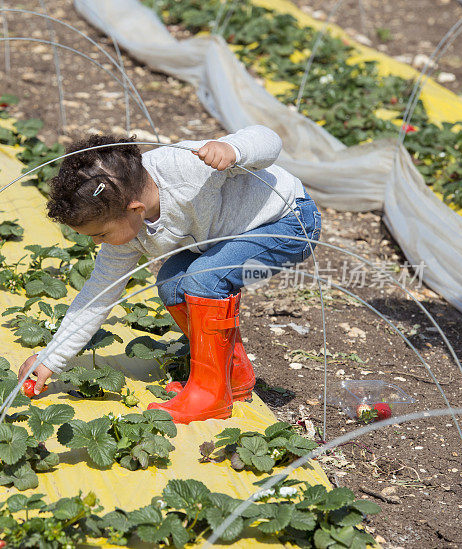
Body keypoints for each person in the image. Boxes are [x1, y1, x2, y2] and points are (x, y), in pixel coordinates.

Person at [17, 125, 322, 424]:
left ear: (135, 209)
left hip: (288, 220)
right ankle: (231, 375)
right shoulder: (124, 224)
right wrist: (50, 359)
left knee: (204, 279)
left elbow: (269, 138)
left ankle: (210, 395)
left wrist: (234, 149)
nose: (97, 242)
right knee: (172, 284)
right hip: (229, 234)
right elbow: (97, 296)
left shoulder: (187, 166)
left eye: (101, 234)